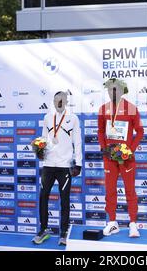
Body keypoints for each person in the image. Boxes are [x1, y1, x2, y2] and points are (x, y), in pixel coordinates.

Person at [32, 91, 82, 246]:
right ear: (53, 101)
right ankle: (44, 229)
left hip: (64, 166)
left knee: (64, 200)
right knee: (43, 197)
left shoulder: (73, 118)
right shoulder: (47, 117)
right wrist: (40, 151)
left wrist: (78, 163)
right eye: (55, 100)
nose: (58, 103)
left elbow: (78, 142)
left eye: (61, 100)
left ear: (66, 101)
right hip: (48, 164)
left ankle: (63, 232)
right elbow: (43, 139)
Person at [98, 78, 144, 238]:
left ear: (122, 90)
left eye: (115, 89)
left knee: (130, 190)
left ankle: (133, 223)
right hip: (109, 157)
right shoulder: (103, 109)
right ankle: (112, 222)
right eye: (110, 89)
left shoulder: (131, 108)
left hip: (126, 158)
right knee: (110, 190)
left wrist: (129, 150)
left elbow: (140, 132)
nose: (112, 92)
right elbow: (100, 131)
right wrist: (104, 148)